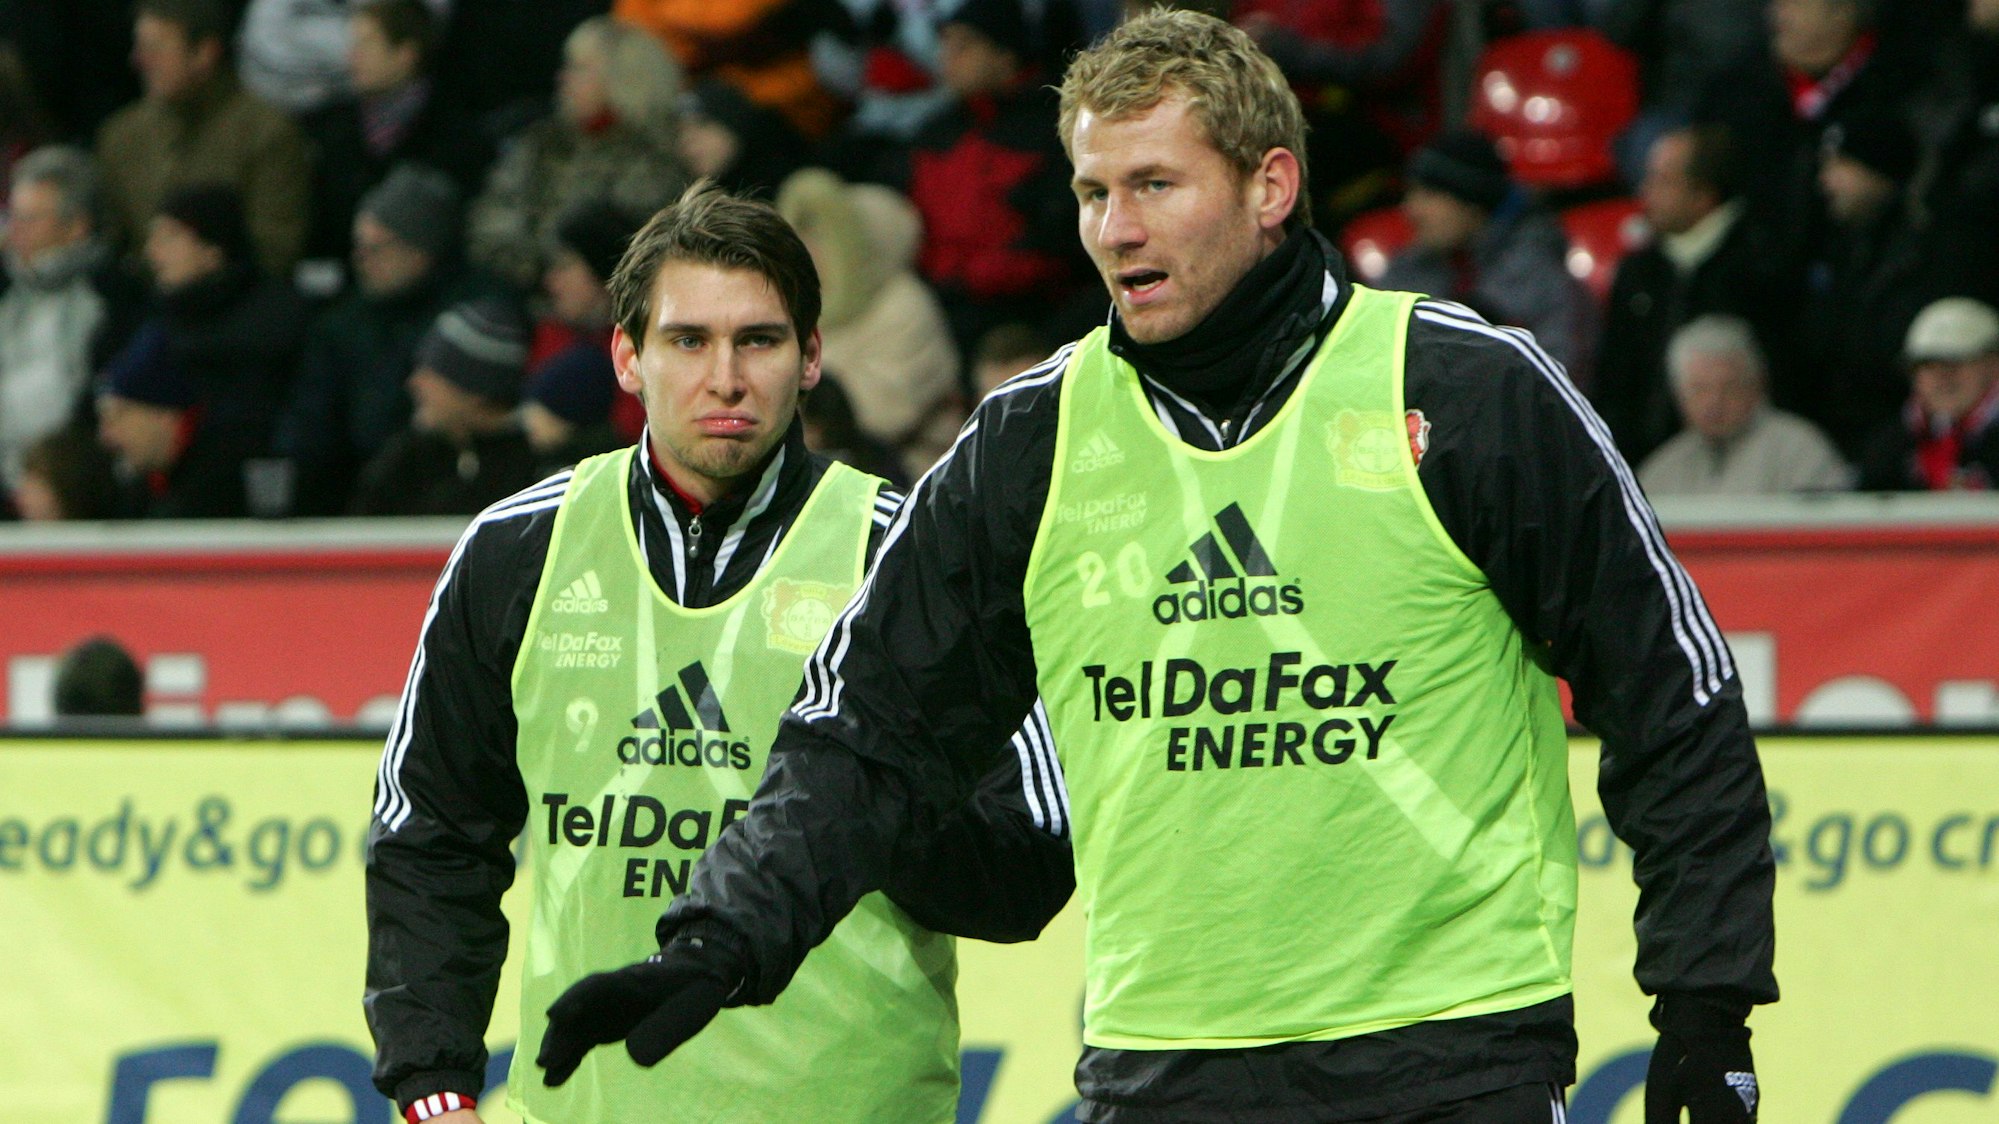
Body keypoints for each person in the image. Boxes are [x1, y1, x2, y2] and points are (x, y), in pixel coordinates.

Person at [538, 11, 1776, 1123]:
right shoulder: (1030, 442)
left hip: (1447, 1059)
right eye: (1090, 191)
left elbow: (1671, 695)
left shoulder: (1460, 389)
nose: (1113, 228)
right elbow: (867, 733)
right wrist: (717, 938)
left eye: (1152, 185)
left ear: (1269, 184)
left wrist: (1704, 1007)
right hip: (1160, 1063)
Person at [365, 183, 1070, 1121]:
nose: (725, 378)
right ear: (626, 355)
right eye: (687, 340)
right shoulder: (514, 552)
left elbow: (1026, 866)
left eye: (759, 341)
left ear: (812, 357)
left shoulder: (908, 554)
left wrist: (854, 808)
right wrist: (431, 1080)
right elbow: (432, 838)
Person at [280, 165, 503, 515]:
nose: (362, 260)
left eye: (376, 248)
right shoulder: (341, 325)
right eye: (359, 246)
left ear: (419, 250)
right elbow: (311, 428)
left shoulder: (471, 318)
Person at [1592, 125, 1797, 464]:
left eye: (1662, 181)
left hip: (1746, 469)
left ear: (1704, 194)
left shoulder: (1760, 266)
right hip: (1644, 464)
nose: (1645, 192)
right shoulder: (1638, 272)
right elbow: (1614, 379)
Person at [94, 0, 313, 278]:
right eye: (140, 47)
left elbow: (276, 251)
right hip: (148, 308)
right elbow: (112, 245)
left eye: (156, 48)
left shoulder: (267, 134)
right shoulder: (121, 136)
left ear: (204, 53)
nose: (140, 61)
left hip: (233, 307)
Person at [467, 16, 688, 290]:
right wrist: (540, 273)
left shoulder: (654, 161)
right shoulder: (540, 142)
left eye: (579, 69)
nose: (563, 78)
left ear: (624, 79)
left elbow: (636, 248)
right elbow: (492, 222)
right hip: (516, 295)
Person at [776, 168, 963, 478]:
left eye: (820, 236)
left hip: (916, 471)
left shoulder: (902, 305)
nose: (808, 251)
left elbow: (890, 411)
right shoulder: (802, 314)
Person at [1380, 129, 1596, 374]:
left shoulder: (1540, 278)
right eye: (1411, 193)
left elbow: (1557, 382)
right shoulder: (1406, 270)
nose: (1411, 210)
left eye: (1429, 195)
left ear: (1471, 203)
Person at [0, 145, 143, 487]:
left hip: (75, 481)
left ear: (77, 226)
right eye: (12, 217)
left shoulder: (115, 298)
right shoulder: (7, 292)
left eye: (31, 219)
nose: (15, 232)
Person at [348, 298, 542, 516]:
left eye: (434, 372)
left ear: (475, 389)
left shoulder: (536, 469)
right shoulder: (405, 461)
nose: (414, 382)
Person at [1637, 315, 1849, 495]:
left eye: (1728, 387)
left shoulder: (1801, 451)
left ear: (1756, 385)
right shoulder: (1662, 469)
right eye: (1699, 389)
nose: (1714, 401)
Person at [1857, 297, 1999, 491]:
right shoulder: (1890, 447)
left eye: (1955, 361)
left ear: (1993, 364)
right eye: (1928, 364)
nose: (1943, 377)